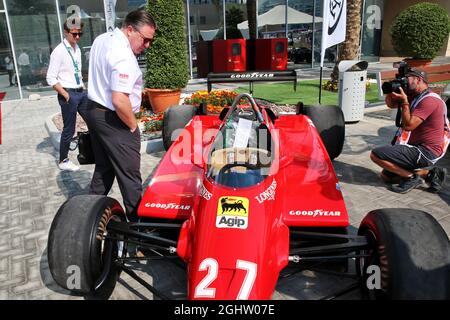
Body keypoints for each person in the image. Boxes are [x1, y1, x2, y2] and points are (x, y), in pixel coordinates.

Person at [85, 9, 156, 221]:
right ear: (130, 29)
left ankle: (87, 215)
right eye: (144, 40)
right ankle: (139, 228)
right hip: (114, 118)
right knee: (130, 177)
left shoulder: (102, 39)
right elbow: (119, 99)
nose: (147, 46)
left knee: (104, 169)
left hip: (95, 111)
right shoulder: (123, 54)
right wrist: (133, 126)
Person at [370, 68, 449, 194]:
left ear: (418, 80)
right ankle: (429, 174)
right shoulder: (415, 95)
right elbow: (391, 104)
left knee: (376, 154)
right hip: (415, 147)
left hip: (425, 151)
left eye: (408, 79)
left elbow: (409, 126)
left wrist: (405, 102)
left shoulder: (430, 100)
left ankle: (411, 178)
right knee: (387, 177)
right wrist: (391, 91)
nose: (405, 82)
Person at [46, 19, 88, 171]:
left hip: (80, 91)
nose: (77, 37)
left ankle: (94, 150)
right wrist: (65, 94)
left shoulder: (77, 49)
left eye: (80, 34)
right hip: (68, 93)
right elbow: (50, 77)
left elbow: (76, 71)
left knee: (93, 119)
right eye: (74, 34)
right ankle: (63, 160)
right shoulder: (59, 51)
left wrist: (82, 87)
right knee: (69, 129)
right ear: (66, 32)